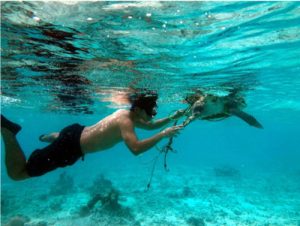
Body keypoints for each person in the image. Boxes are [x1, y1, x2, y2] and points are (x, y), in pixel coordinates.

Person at [1, 90, 184, 181]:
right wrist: (164, 134)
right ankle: (8, 132)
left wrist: (172, 118)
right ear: (137, 109)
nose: (152, 115)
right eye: (151, 112)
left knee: (60, 137)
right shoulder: (127, 122)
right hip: (70, 147)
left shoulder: (126, 114)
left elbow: (150, 126)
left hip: (74, 132)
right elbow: (136, 149)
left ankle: (47, 137)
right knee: (18, 174)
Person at [183, 89, 263, 128]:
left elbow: (247, 117)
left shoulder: (228, 106)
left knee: (232, 108)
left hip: (225, 107)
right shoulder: (198, 105)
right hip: (214, 109)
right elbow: (194, 113)